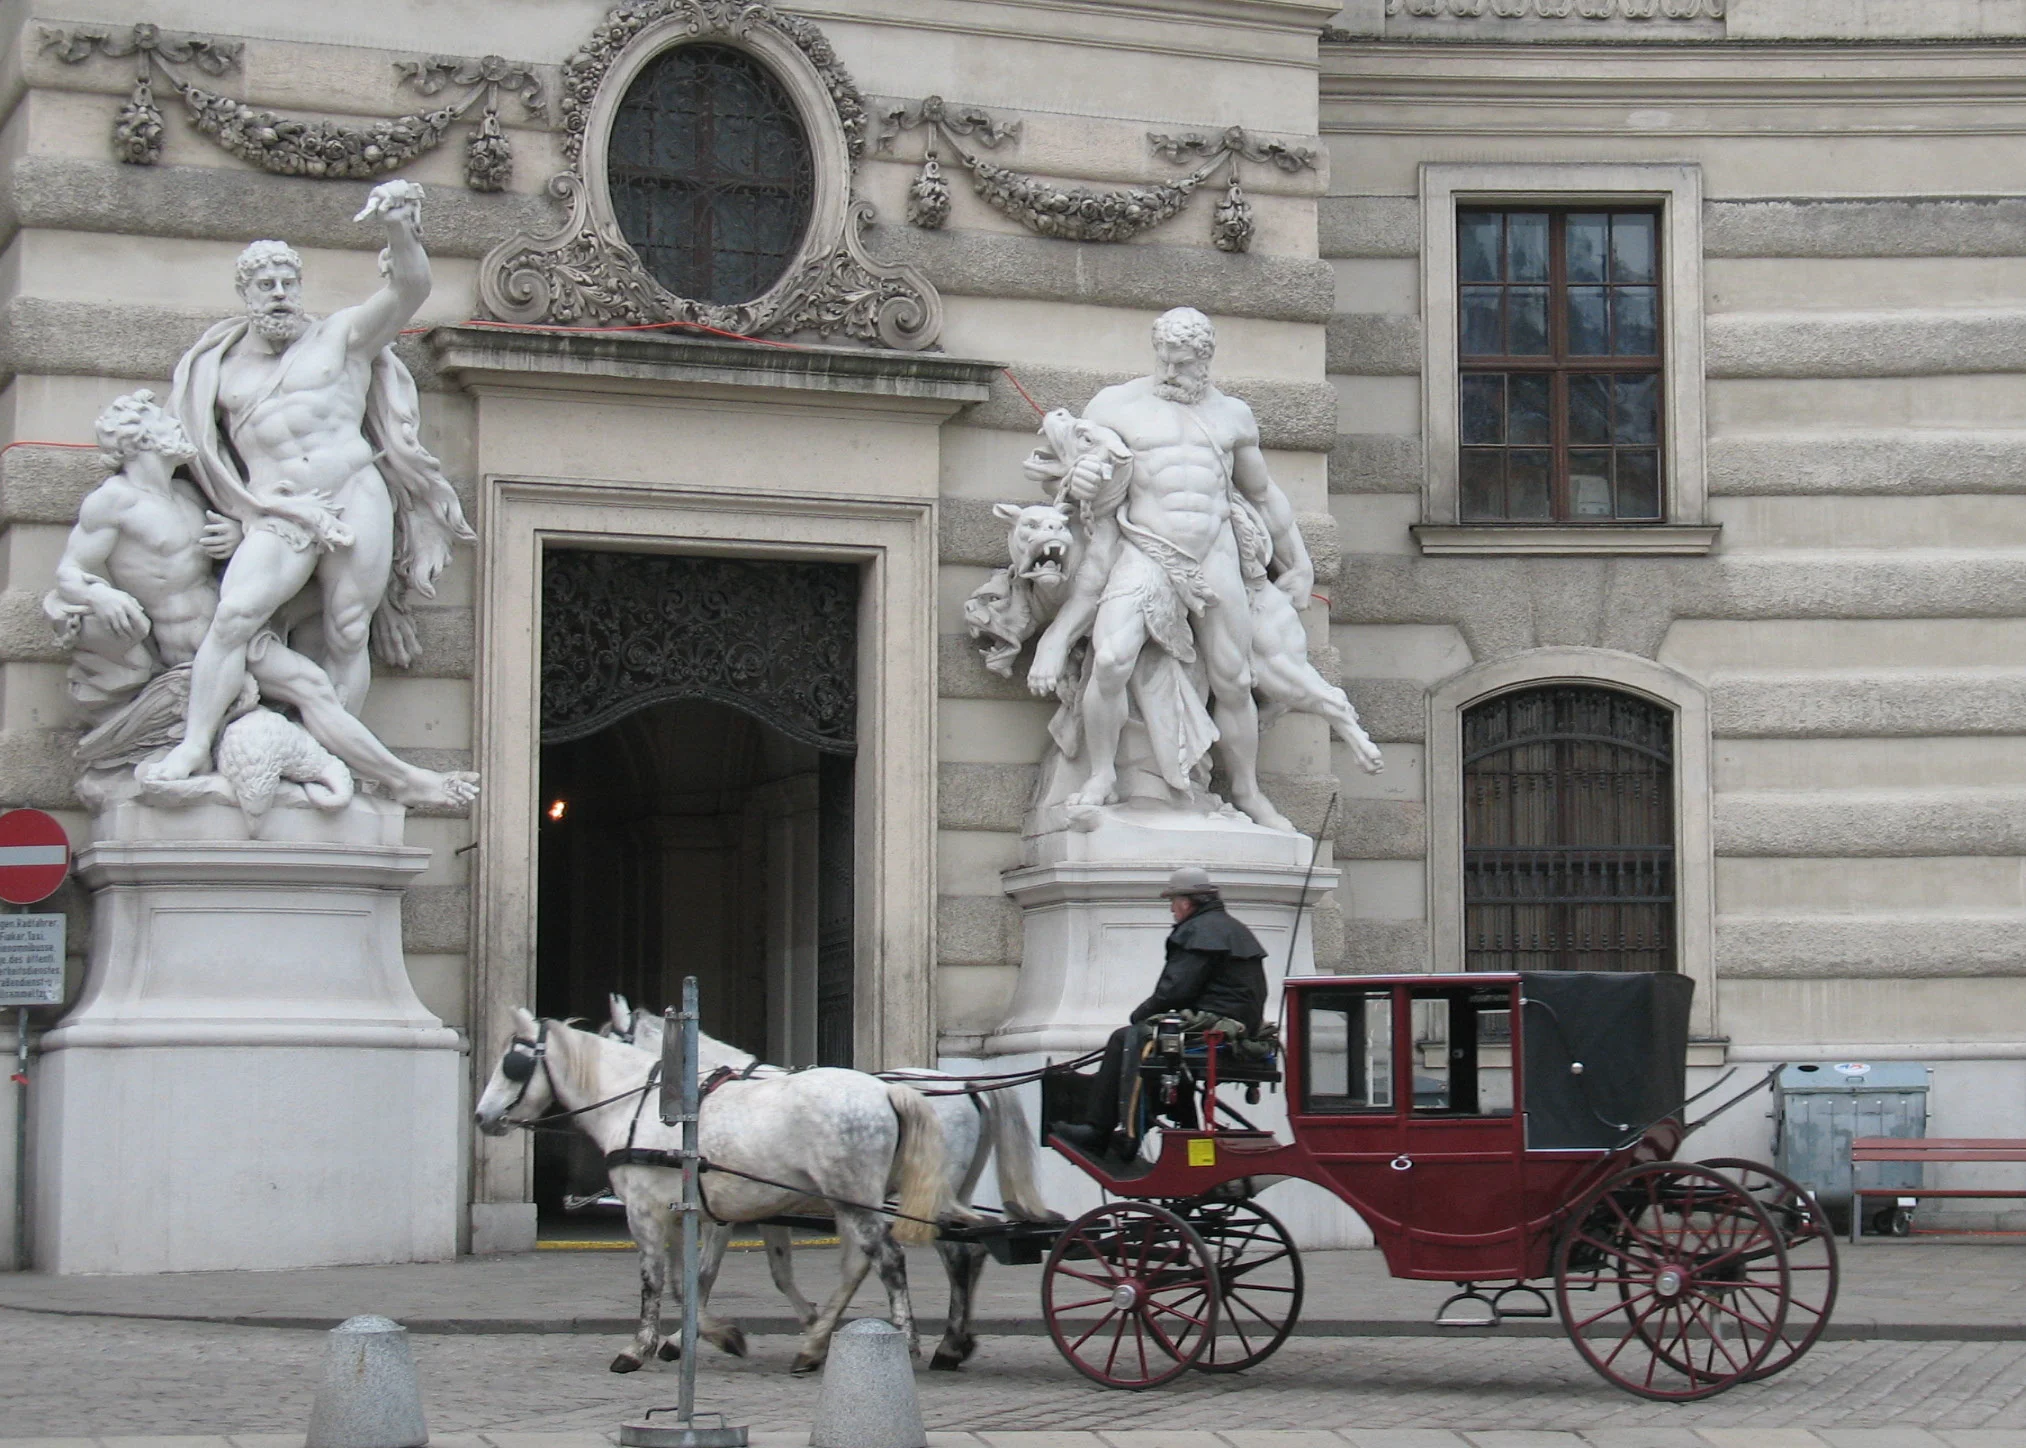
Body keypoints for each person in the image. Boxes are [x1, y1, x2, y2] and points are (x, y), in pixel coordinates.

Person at [141, 179, 475, 795]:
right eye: (264, 284)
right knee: (235, 617)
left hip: (353, 490)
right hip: (282, 508)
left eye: (287, 283)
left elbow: (411, 289)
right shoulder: (216, 370)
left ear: (299, 288)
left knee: (349, 631)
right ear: (244, 293)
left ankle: (332, 761)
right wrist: (237, 514)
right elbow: (195, 457)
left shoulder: (342, 336)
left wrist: (400, 227)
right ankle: (192, 745)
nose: (278, 293)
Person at [44, 391, 481, 808]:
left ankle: (395, 779)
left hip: (241, 631)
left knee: (321, 671)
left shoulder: (189, 496)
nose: (178, 424)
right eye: (164, 419)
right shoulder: (113, 502)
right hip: (190, 645)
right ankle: (198, 748)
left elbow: (237, 553)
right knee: (311, 686)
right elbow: (68, 572)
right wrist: (99, 596)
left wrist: (239, 534)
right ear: (139, 438)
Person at [1025, 307, 1317, 831]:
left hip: (1215, 553)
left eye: (1180, 363)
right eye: (1163, 359)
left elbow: (1262, 493)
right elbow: (1070, 482)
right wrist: (1080, 483)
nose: (1168, 371)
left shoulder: (1234, 416)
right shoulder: (1115, 405)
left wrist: (1297, 561)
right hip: (1147, 548)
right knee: (1112, 659)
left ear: (1204, 359)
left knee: (1233, 679)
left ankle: (1248, 791)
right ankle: (1100, 777)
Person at [1051, 866, 1269, 1160]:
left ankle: (1100, 1131)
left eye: (1173, 902)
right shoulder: (1230, 927)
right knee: (1153, 1044)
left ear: (1186, 902)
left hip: (1217, 1025)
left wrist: (1140, 1014)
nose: (1171, 909)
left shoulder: (1197, 930)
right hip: (1237, 1022)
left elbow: (1174, 991)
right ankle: (1179, 1121)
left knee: (1126, 1038)